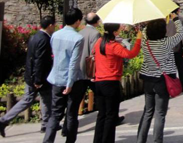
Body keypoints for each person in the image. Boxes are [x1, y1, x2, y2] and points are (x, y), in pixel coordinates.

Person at [0, 16, 55, 137]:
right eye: (54, 25)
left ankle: (5, 120)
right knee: (45, 100)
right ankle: (45, 124)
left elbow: (31, 58)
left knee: (29, 100)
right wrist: (38, 80)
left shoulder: (34, 37)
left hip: (30, 75)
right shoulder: (44, 39)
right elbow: (40, 60)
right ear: (50, 25)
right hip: (39, 77)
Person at [137, 14, 183, 143]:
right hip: (163, 81)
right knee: (160, 113)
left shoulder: (145, 42)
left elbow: (144, 31)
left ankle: (140, 140)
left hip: (148, 79)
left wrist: (147, 22)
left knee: (147, 112)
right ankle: (157, 141)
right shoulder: (167, 42)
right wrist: (175, 19)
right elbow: (180, 34)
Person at [93, 24, 142, 143]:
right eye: (119, 28)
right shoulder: (114, 46)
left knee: (102, 115)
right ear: (114, 31)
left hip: (99, 82)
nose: (121, 29)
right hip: (110, 82)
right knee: (111, 115)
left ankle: (98, 140)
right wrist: (138, 39)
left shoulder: (99, 42)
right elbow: (131, 54)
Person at [43, 8, 86, 143]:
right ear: (78, 21)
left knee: (55, 114)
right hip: (72, 80)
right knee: (72, 114)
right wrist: (70, 83)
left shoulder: (55, 35)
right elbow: (73, 63)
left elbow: (55, 54)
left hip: (56, 78)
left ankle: (47, 141)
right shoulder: (78, 38)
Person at [167, 5, 183, 92]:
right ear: (178, 10)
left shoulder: (165, 20)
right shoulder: (181, 20)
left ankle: (171, 87)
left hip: (167, 48)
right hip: (178, 47)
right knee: (181, 67)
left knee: (170, 69)